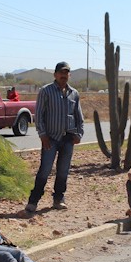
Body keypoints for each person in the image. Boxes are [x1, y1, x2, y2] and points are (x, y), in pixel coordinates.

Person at [24, 61, 84, 214]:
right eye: (61, 73)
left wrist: (79, 134)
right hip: (50, 139)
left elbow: (79, 116)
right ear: (55, 74)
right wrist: (43, 135)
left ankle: (58, 199)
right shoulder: (46, 91)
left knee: (63, 171)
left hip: (68, 139)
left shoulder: (74, 93)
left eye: (66, 73)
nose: (64, 75)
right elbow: (39, 115)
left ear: (69, 75)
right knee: (44, 171)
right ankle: (33, 201)